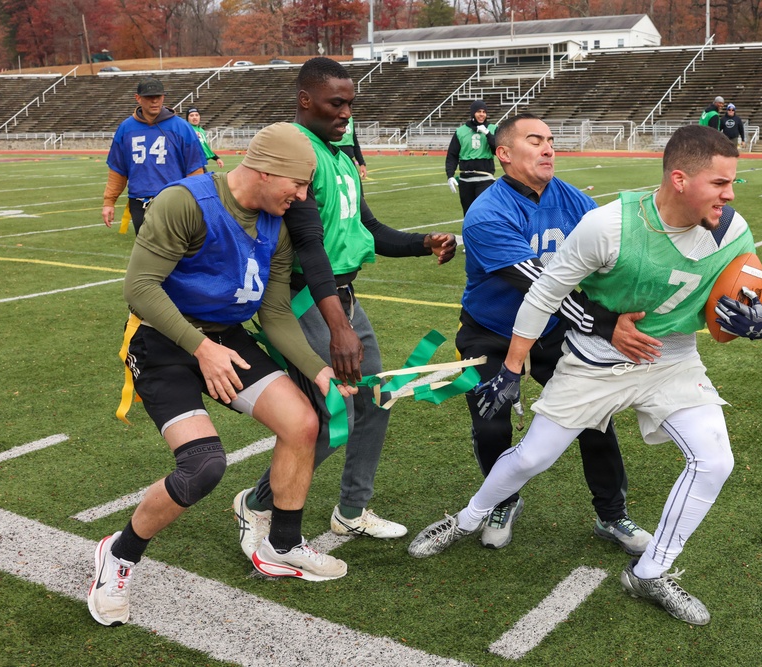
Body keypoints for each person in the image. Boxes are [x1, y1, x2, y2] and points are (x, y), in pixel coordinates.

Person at [408, 125, 762, 626]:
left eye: (732, 183)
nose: (730, 195)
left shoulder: (732, 229)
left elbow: (745, 295)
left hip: (671, 357)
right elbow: (543, 291)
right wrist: (512, 369)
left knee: (715, 461)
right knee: (534, 454)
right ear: (680, 179)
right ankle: (469, 517)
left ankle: (649, 572)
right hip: (591, 355)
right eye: (719, 183)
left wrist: (759, 321)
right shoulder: (608, 224)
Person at [88, 123, 358, 628]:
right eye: (298, 184)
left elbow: (274, 313)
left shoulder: (277, 222)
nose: (303, 197)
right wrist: (201, 349)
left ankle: (282, 545)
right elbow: (140, 288)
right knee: (203, 466)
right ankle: (119, 554)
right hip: (163, 341)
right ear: (265, 171)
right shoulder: (184, 202)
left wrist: (319, 371)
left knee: (303, 423)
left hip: (224, 338)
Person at [232, 57, 457, 557]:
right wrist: (338, 327)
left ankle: (352, 510)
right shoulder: (297, 154)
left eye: (351, 103)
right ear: (305, 100)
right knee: (336, 414)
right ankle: (257, 502)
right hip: (304, 299)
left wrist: (422, 243)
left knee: (376, 398)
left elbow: (367, 228)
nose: (346, 113)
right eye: (336, 103)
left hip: (341, 296)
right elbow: (309, 246)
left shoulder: (340, 155)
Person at [457, 113, 658, 553]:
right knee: (491, 424)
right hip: (491, 332)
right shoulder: (487, 213)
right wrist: (605, 325)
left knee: (593, 419)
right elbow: (541, 287)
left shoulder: (574, 200)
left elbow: (616, 258)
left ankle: (612, 515)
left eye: (550, 140)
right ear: (504, 154)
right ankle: (502, 501)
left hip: (553, 331)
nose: (549, 148)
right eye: (535, 140)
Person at [102, 77, 207, 234]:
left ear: (163, 97)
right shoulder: (126, 128)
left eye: (158, 96)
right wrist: (109, 202)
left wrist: (196, 201)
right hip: (139, 202)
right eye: (149, 97)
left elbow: (195, 169)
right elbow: (118, 170)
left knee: (175, 247)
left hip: (174, 201)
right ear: (138, 98)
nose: (154, 101)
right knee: (145, 247)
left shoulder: (181, 127)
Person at [445, 100, 497, 215]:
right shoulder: (461, 131)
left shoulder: (493, 129)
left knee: (483, 212)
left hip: (485, 178)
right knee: (468, 214)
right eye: (479, 111)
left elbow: (498, 149)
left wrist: (488, 134)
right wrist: (450, 175)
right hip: (465, 179)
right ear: (473, 113)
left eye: (484, 112)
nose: (482, 114)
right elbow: (452, 155)